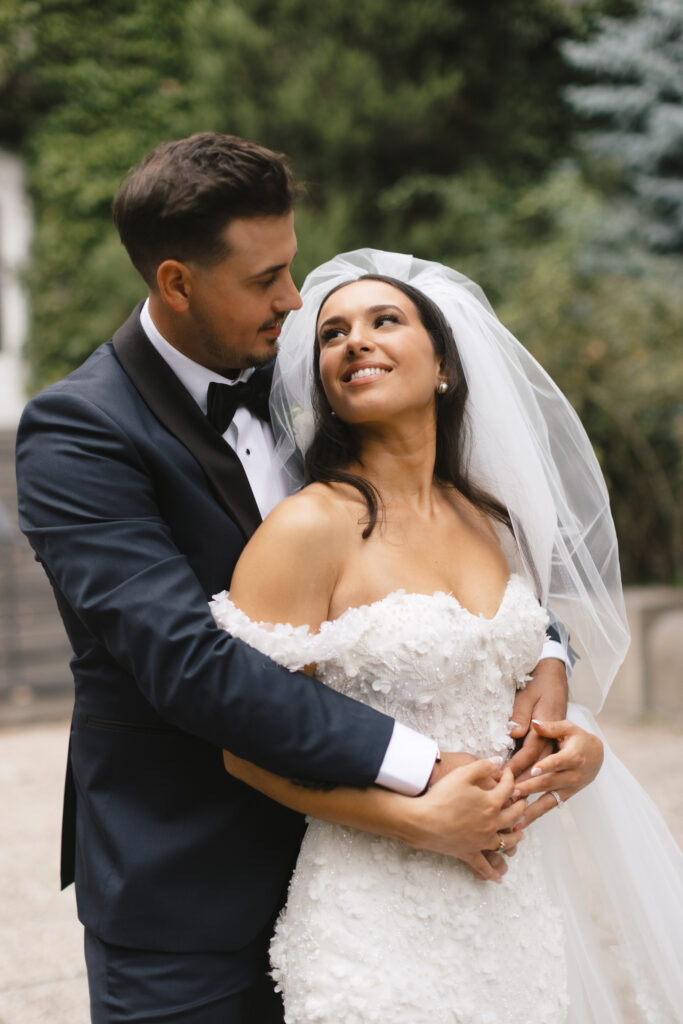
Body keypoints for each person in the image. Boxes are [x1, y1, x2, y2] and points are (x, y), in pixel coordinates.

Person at [15, 135, 578, 1024]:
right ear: (175, 283)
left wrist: (549, 669)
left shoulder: (314, 380)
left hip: (387, 882)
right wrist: (425, 771)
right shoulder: (78, 432)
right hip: (190, 890)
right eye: (265, 279)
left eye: (293, 270)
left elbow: (440, 555)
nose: (293, 299)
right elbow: (187, 663)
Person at [209, 251, 683, 1023]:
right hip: (375, 915)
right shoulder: (307, 528)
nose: (352, 342)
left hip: (509, 907)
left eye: (382, 321)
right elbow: (242, 743)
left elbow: (517, 692)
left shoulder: (491, 522)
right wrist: (412, 820)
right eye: (331, 334)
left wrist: (574, 752)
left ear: (444, 369)